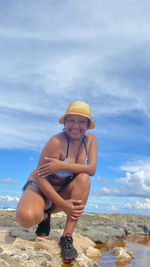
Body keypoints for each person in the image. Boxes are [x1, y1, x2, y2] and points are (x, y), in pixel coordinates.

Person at [16, 100, 98, 263]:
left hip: (63, 191)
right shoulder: (55, 142)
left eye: (81, 121)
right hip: (41, 188)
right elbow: (40, 176)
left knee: (84, 178)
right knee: (26, 218)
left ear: (88, 124)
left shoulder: (90, 140)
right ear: (65, 122)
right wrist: (62, 203)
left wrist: (61, 165)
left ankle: (67, 237)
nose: (76, 125)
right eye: (71, 120)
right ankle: (44, 218)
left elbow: (92, 169)